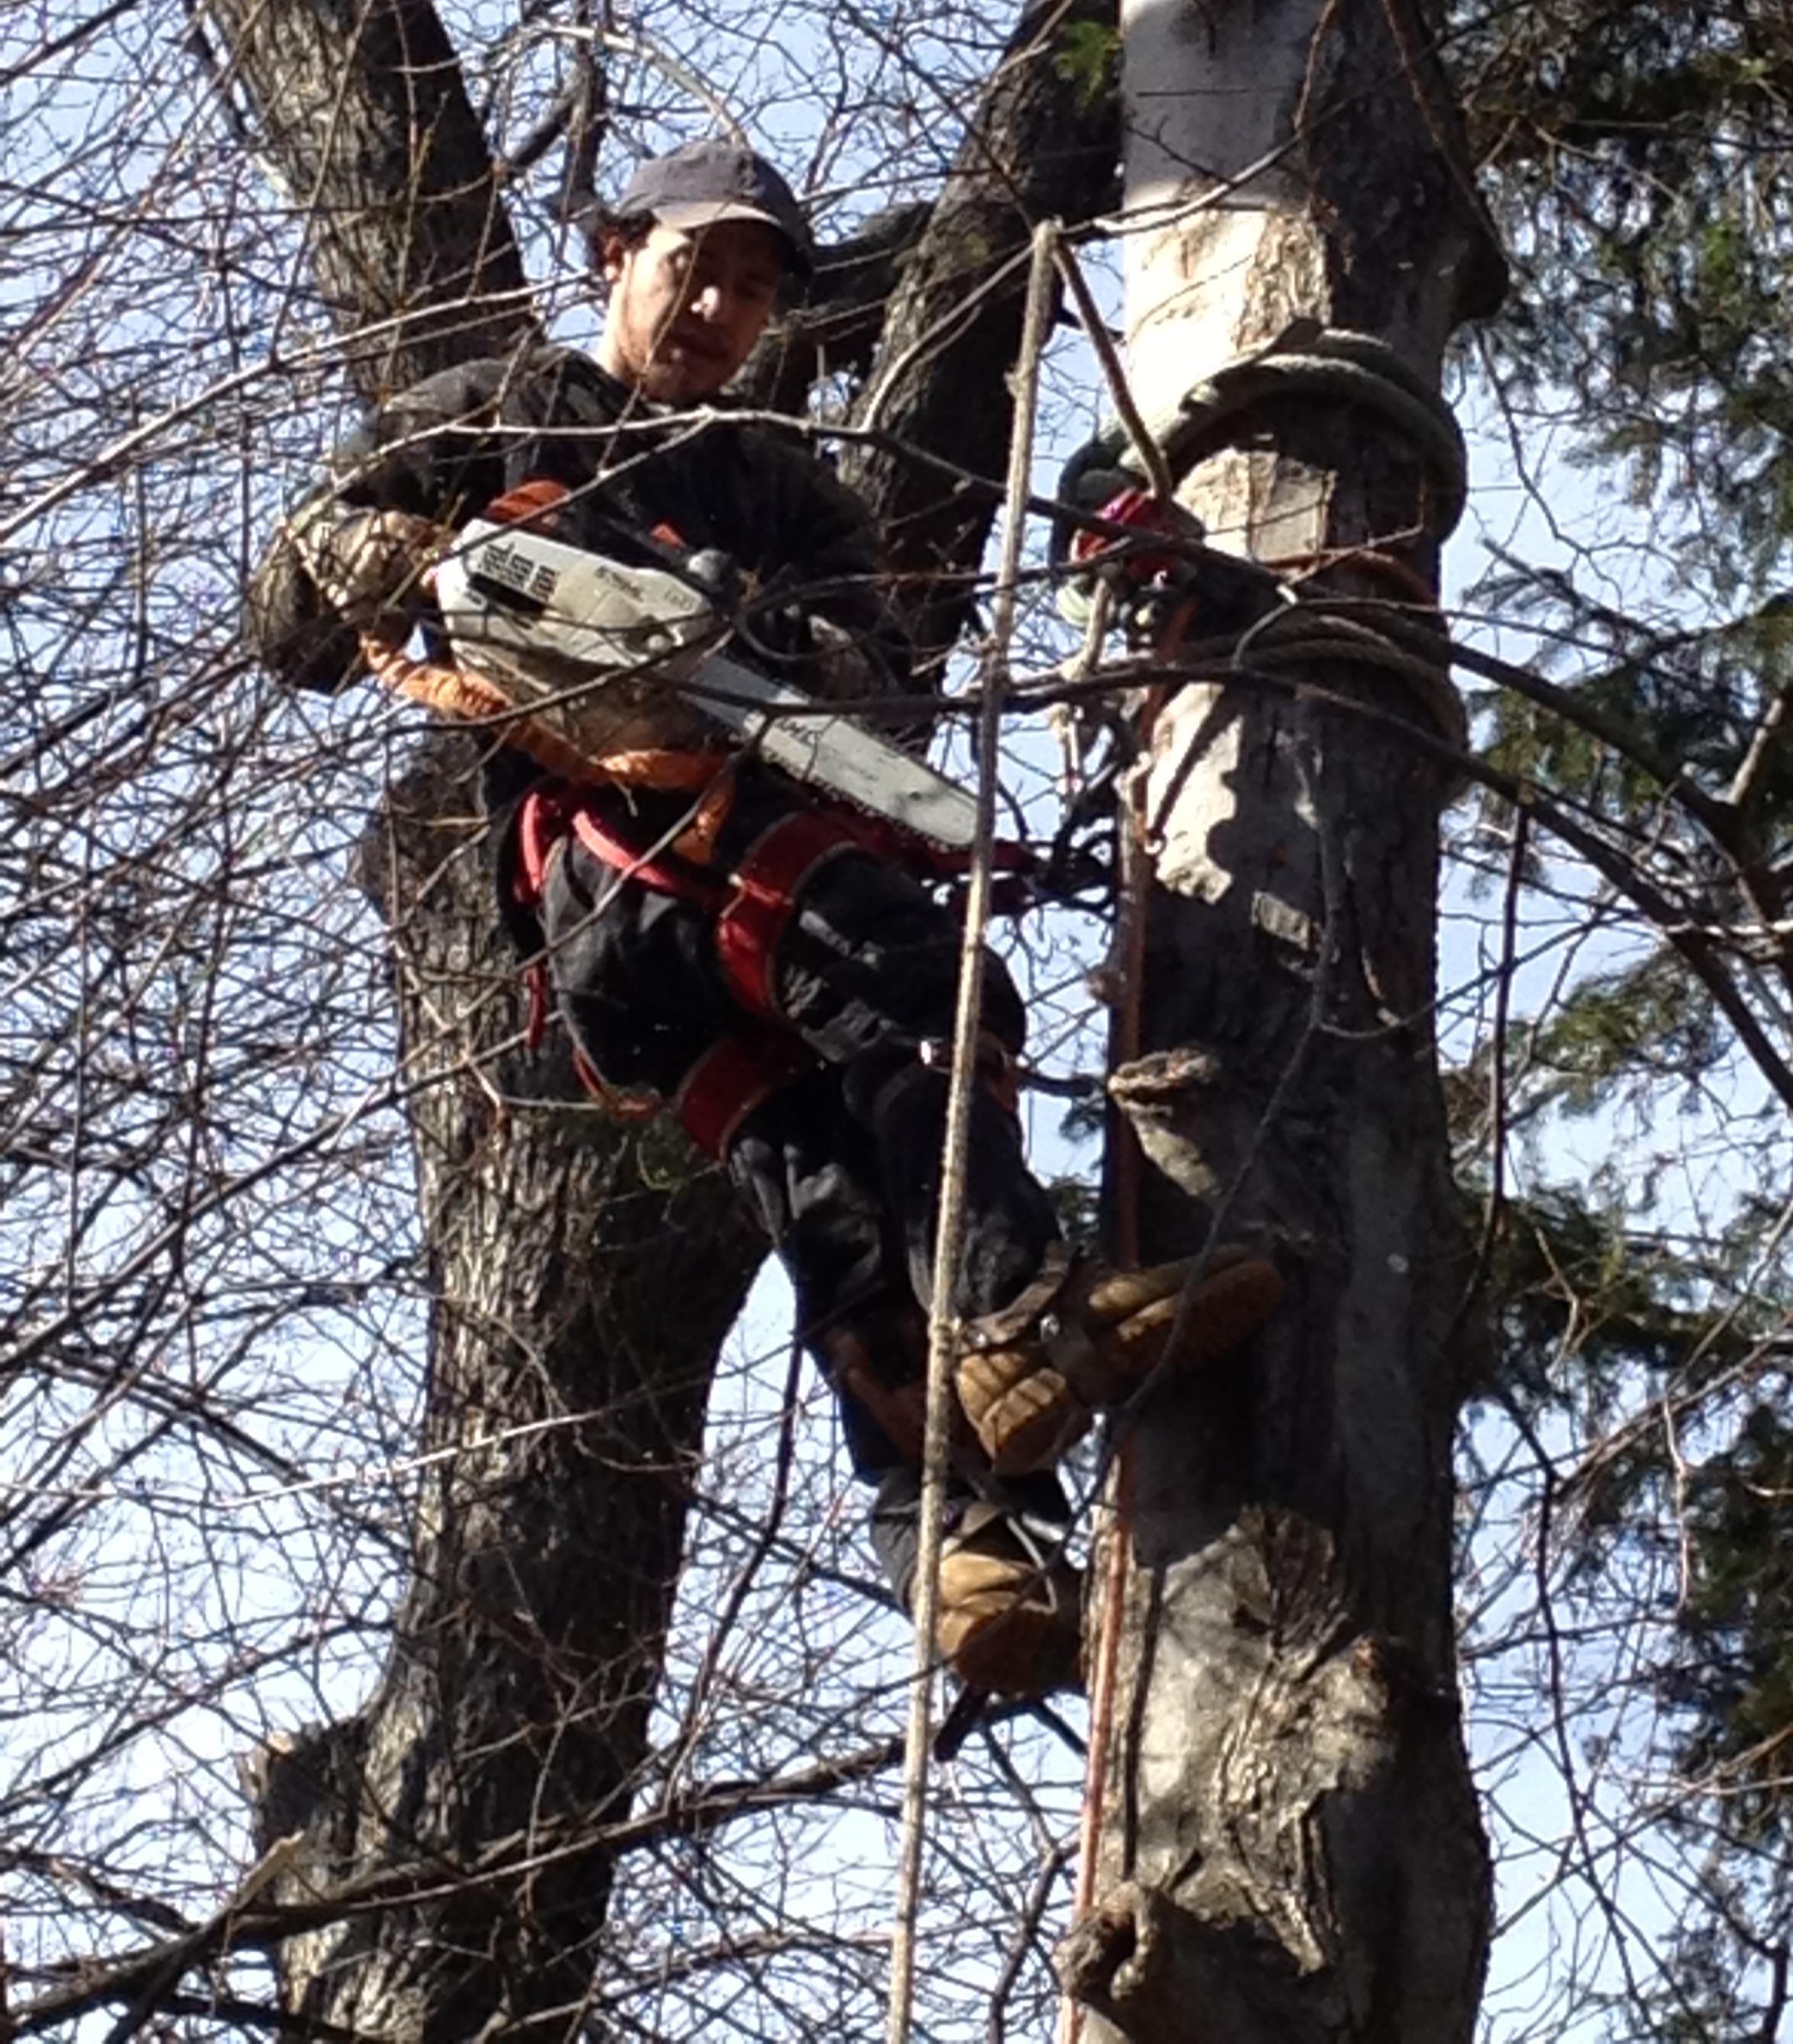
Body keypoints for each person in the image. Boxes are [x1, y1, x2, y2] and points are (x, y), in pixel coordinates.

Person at [248, 137, 1279, 1697]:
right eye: (696, 266)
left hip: (714, 880)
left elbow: (873, 692)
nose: (723, 305)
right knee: (931, 991)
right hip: (610, 862)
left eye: (754, 284)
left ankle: (962, 1537)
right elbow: (291, 624)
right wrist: (376, 550)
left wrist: (764, 631)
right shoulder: (504, 414)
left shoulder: (783, 485)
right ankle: (1013, 1312)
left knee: (837, 1181)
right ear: (617, 255)